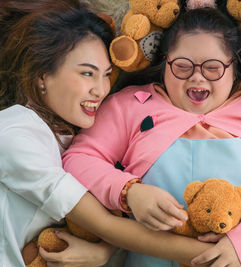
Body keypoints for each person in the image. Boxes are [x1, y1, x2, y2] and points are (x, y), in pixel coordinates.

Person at [63, 8, 241, 267]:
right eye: (182, 66)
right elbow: (78, 159)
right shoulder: (129, 105)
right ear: (165, 63)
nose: (197, 76)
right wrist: (129, 192)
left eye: (213, 68)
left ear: (234, 66)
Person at [0, 1, 214, 266]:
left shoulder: (72, 137)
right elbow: (104, 223)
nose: (100, 90)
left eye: (106, 75)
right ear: (42, 75)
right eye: (87, 73)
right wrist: (225, 253)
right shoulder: (14, 134)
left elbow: (107, 222)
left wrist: (104, 251)